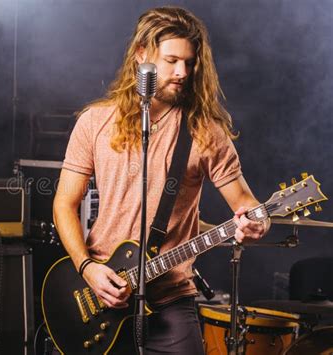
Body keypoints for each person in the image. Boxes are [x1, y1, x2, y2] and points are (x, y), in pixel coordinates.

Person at [53, 6, 270, 354]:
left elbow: (248, 206)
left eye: (189, 62)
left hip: (171, 297)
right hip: (101, 290)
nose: (182, 72)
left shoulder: (205, 132)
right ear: (142, 55)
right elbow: (64, 203)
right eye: (171, 61)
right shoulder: (94, 122)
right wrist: (87, 267)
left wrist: (258, 222)